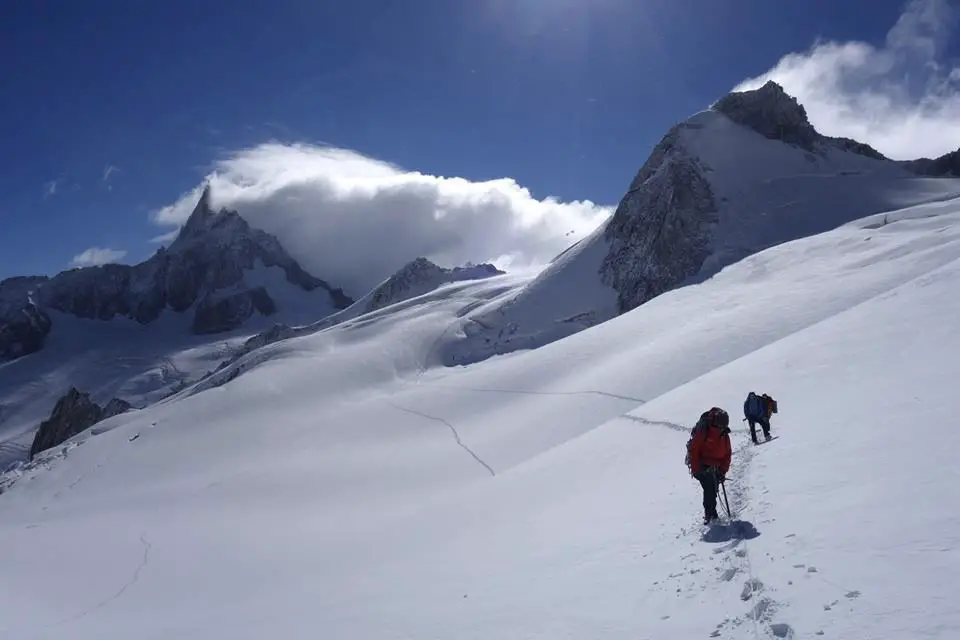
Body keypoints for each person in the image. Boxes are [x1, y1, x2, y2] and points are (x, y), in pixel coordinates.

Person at [686, 407, 732, 524]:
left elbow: (727, 454)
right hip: (703, 466)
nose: (722, 428)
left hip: (716, 468)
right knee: (709, 490)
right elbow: (694, 450)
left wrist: (722, 471)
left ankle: (711, 513)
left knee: (713, 490)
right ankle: (710, 514)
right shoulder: (704, 431)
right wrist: (696, 470)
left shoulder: (724, 435)